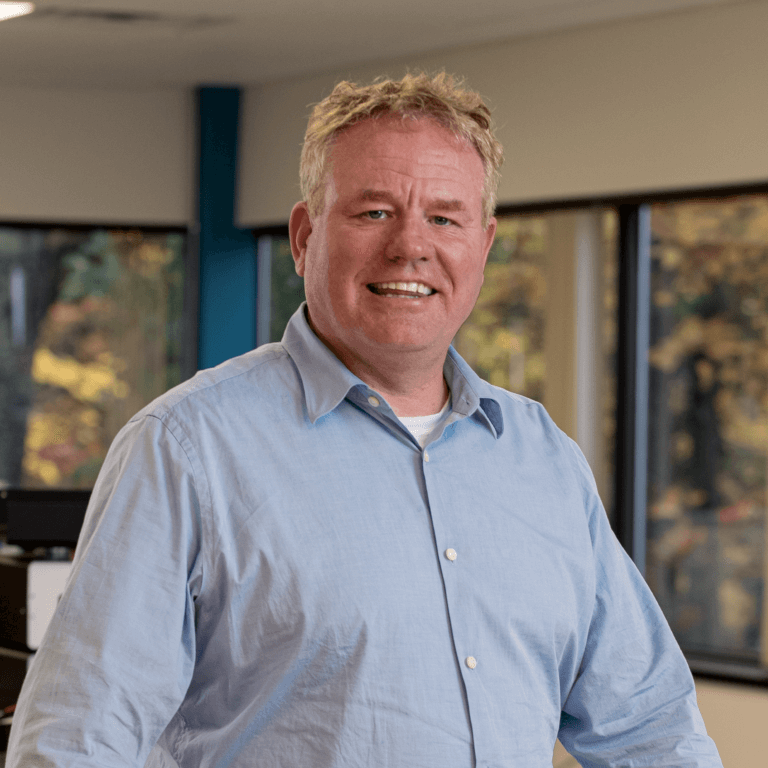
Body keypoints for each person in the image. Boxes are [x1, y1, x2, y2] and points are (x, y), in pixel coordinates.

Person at [7, 72, 722, 767]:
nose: (411, 245)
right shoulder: (186, 449)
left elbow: (650, 727)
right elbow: (77, 743)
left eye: (444, 217)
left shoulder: (543, 458)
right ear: (302, 237)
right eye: (374, 212)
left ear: (483, 247)